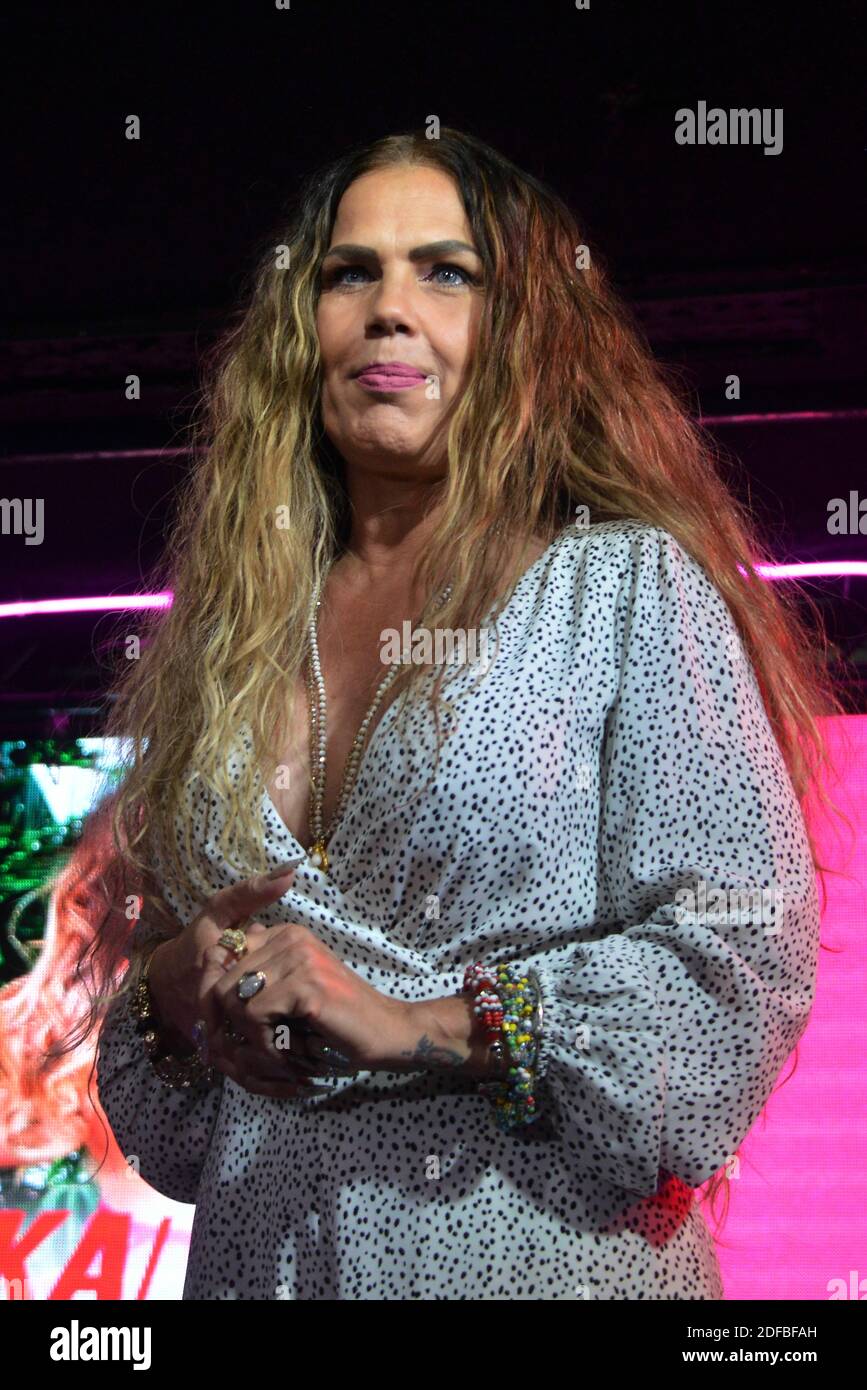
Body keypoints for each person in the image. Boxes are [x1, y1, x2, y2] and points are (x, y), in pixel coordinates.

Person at [62, 128, 844, 1300]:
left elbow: (734, 965)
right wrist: (178, 988)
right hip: (261, 1263)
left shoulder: (622, 588)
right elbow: (166, 1117)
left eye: (446, 270)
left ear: (524, 333)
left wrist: (418, 1022)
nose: (388, 308)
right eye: (349, 272)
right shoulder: (220, 643)